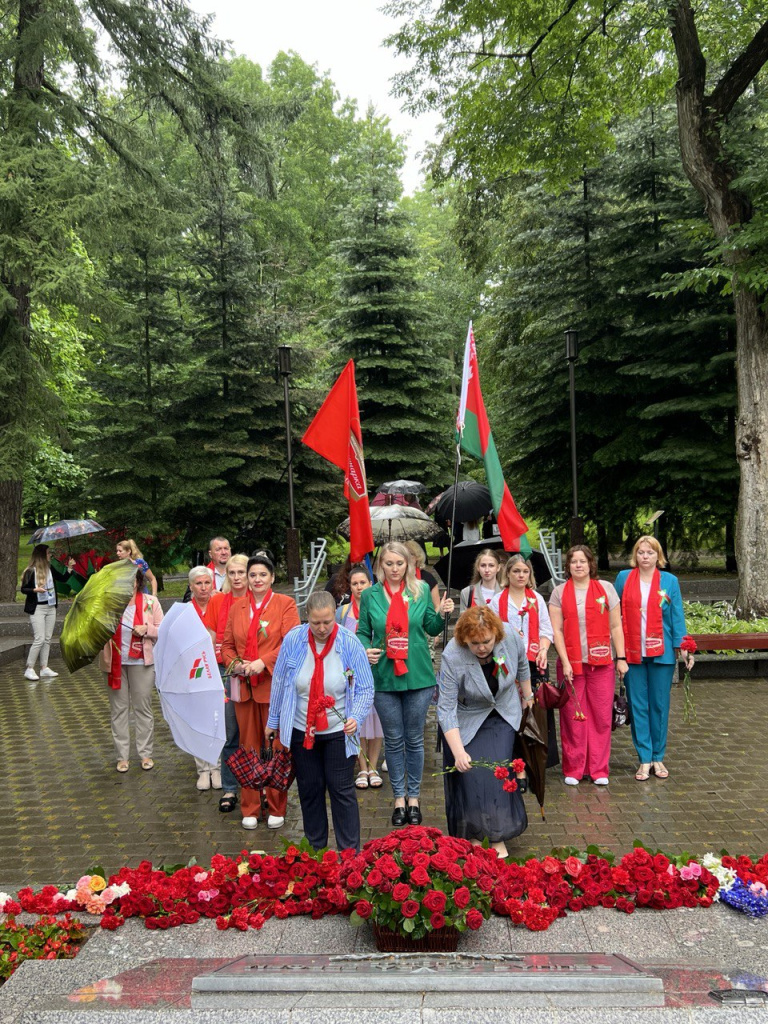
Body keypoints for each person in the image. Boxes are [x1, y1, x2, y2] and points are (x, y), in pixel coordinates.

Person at [266, 591, 374, 851]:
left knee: (341, 791)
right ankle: (315, 852)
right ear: (307, 618)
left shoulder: (349, 642)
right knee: (310, 790)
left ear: (335, 615)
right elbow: (280, 681)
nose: (323, 628)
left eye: (328, 622)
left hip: (339, 729)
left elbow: (366, 688)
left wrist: (356, 717)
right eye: (316, 623)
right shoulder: (293, 639)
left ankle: (349, 853)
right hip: (301, 730)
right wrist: (273, 720)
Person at [357, 540, 454, 827]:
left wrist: (442, 613)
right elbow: (363, 632)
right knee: (394, 739)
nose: (395, 568)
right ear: (380, 566)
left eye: (400, 563)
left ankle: (414, 798)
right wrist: (365, 649)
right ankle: (398, 797)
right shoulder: (370, 595)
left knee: (414, 739)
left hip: (418, 676)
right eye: (389, 563)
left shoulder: (421, 590)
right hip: (384, 678)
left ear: (409, 565)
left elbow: (431, 628)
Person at [438, 605, 533, 857]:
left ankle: (498, 836)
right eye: (475, 643)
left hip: (503, 710)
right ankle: (474, 835)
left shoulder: (510, 636)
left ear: (496, 634)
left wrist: (528, 697)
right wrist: (458, 752)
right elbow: (445, 709)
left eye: (487, 642)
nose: (482, 647)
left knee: (496, 774)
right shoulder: (452, 655)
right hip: (468, 716)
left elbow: (522, 666)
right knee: (471, 773)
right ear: (465, 640)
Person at [221, 553, 300, 830]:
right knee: (249, 748)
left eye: (262, 575)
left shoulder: (285, 604)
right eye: (252, 575)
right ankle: (251, 807)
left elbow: (293, 643)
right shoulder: (236, 607)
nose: (256, 579)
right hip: (244, 688)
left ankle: (277, 805)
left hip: (274, 688)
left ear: (272, 578)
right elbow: (226, 645)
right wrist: (237, 664)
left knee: (276, 747)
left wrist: (263, 663)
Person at [615, 536, 693, 781]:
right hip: (633, 654)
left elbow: (677, 616)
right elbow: (614, 617)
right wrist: (618, 654)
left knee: (659, 706)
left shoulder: (670, 581)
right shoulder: (623, 579)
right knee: (638, 706)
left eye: (650, 552)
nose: (645, 556)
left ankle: (658, 756)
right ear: (635, 555)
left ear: (658, 555)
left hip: (662, 655)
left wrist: (684, 647)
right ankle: (644, 759)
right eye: (641, 552)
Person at [548, 545, 626, 787]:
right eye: (573, 562)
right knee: (573, 717)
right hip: (572, 665)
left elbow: (615, 627)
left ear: (591, 564)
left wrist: (621, 658)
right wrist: (565, 660)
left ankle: (598, 768)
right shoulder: (559, 593)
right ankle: (574, 768)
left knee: (601, 717)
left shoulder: (606, 589)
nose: (578, 565)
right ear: (568, 566)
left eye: (583, 561)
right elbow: (556, 631)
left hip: (601, 664)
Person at [490, 554, 558, 770]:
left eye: (525, 571)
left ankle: (535, 759)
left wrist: (544, 649)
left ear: (530, 575)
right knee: (510, 709)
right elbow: (491, 632)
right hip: (506, 662)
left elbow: (547, 629)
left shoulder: (536, 599)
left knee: (535, 711)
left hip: (534, 660)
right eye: (516, 571)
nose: (521, 575)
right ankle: (512, 757)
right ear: (507, 574)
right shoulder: (496, 601)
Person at [99, 570, 164, 772]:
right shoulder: (108, 604)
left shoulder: (150, 601)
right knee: (119, 710)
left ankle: (145, 754)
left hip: (142, 662)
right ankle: (122, 756)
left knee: (142, 708)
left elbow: (163, 629)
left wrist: (147, 629)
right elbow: (96, 633)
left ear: (137, 581)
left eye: (131, 580)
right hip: (114, 663)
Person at [337, 564, 384, 789]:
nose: (358, 588)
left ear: (370, 584)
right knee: (357, 720)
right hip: (350, 674)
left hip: (374, 670)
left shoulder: (379, 607)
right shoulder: (343, 611)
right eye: (354, 584)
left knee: (375, 722)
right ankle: (362, 767)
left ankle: (374, 766)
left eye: (362, 583)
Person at [214, 554, 249, 813]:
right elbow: (212, 635)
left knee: (257, 733)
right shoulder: (219, 601)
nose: (237, 577)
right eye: (232, 572)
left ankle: (257, 785)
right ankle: (229, 787)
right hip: (228, 671)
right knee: (231, 731)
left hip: (257, 673)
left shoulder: (258, 601)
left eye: (241, 572)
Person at [187, 566, 224, 792]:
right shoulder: (185, 611)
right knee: (198, 719)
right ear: (191, 586)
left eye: (207, 583)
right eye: (198, 584)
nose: (203, 588)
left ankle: (217, 767)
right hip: (194, 670)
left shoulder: (220, 604)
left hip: (218, 667)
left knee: (217, 717)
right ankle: (202, 768)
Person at [20, 545, 75, 681]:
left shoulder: (49, 568)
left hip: (51, 607)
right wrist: (35, 590)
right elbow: (23, 589)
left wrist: (70, 567)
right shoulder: (30, 571)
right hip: (37, 608)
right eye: (48, 553)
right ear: (41, 555)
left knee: (48, 638)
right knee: (40, 638)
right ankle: (29, 668)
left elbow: (62, 578)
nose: (50, 554)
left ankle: (44, 668)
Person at [404, 540, 440, 610]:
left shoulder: (428, 577)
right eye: (404, 554)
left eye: (410, 554)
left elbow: (437, 606)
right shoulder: (398, 576)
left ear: (417, 557)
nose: (407, 557)